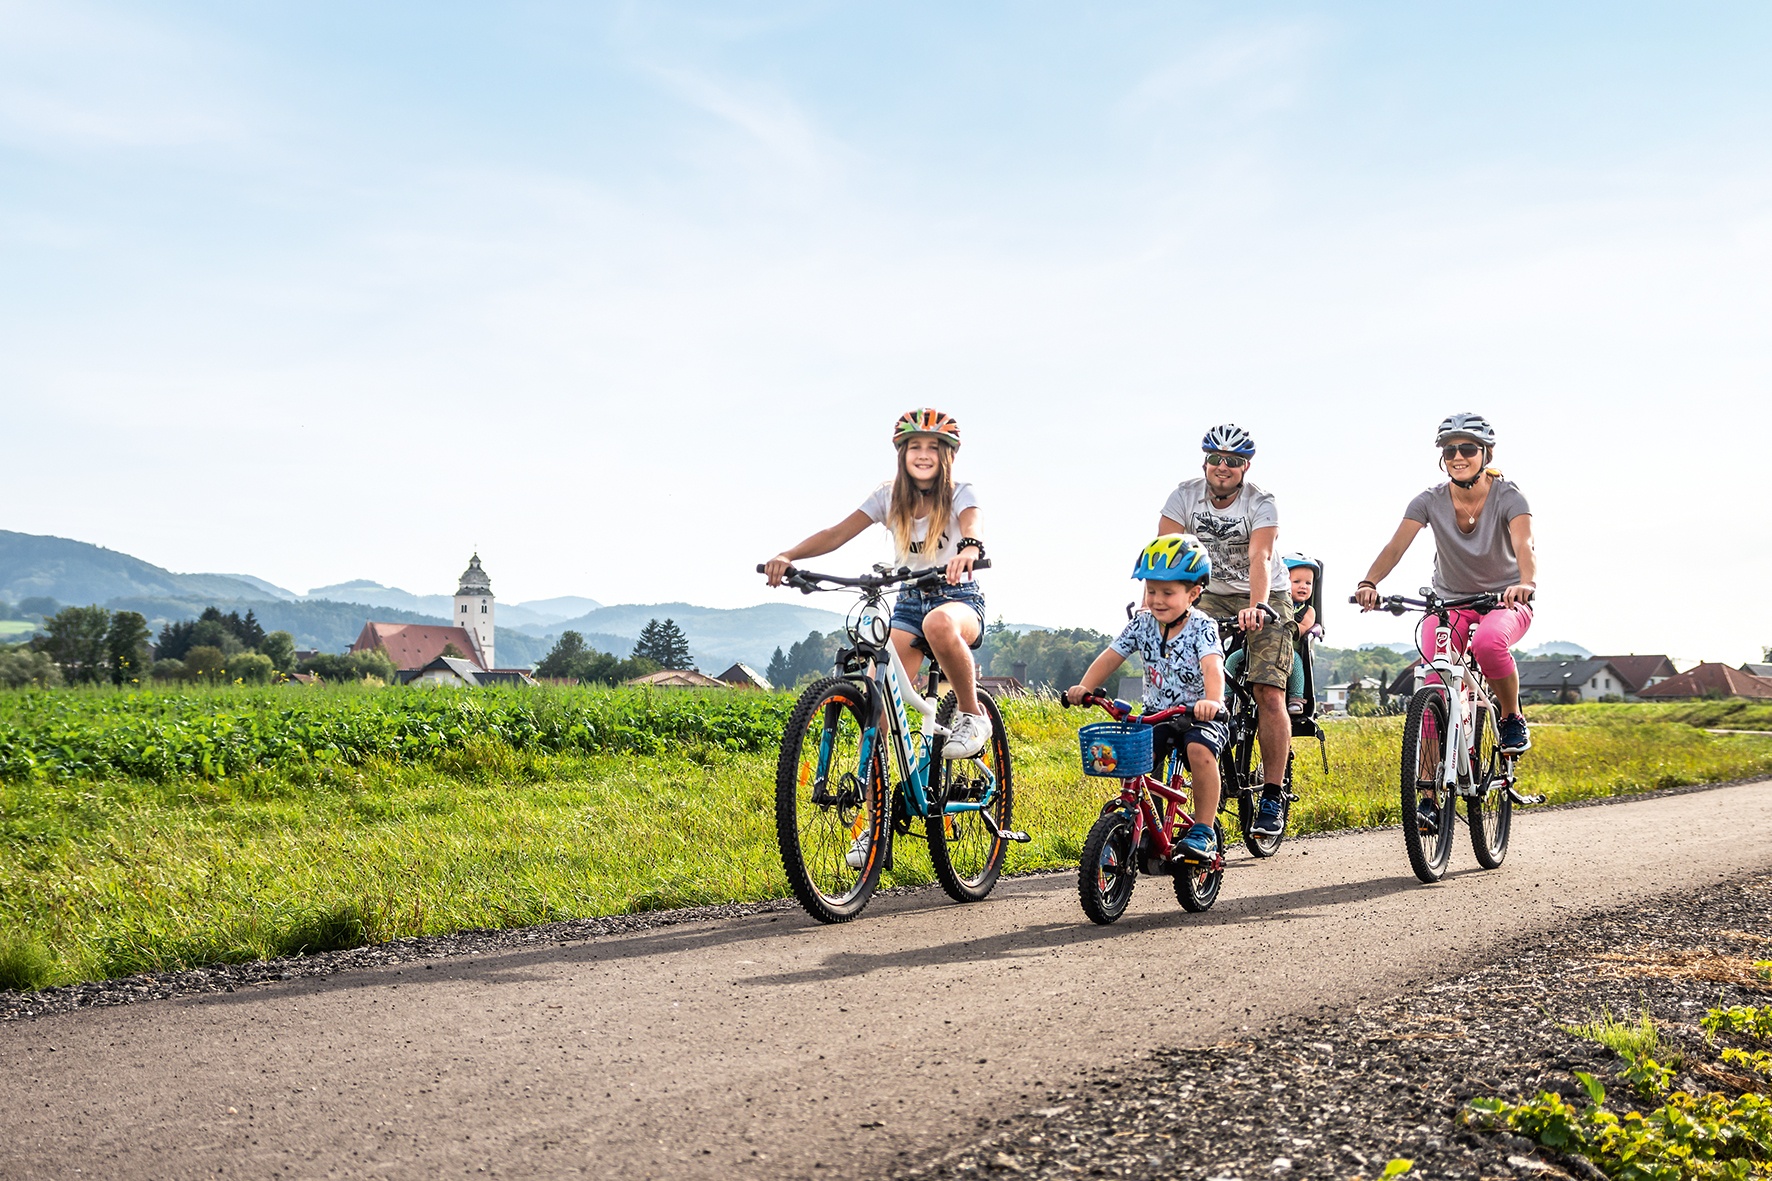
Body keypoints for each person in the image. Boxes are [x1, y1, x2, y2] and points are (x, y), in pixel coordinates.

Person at [762, 408, 992, 760]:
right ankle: (871, 790)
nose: (924, 455)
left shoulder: (961, 492)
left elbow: (972, 523)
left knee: (938, 623)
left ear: (948, 455)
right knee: (877, 701)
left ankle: (972, 715)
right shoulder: (888, 496)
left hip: (957, 596)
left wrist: (970, 549)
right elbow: (836, 533)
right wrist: (788, 555)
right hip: (908, 604)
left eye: (933, 447)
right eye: (915, 447)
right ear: (903, 454)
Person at [1353, 412, 1537, 759]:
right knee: (1433, 678)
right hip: (1449, 604)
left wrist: (1525, 583)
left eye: (1467, 449)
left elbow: (1524, 544)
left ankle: (1511, 716)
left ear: (1486, 454)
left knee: (1488, 644)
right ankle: (1426, 786)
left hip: (1505, 600)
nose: (1457, 457)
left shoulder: (1510, 496)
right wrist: (1369, 582)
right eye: (1449, 450)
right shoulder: (1428, 500)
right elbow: (1395, 547)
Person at [1157, 424, 1293, 840]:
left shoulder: (1261, 502)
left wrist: (1258, 606)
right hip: (1208, 594)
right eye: (1215, 458)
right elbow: (1164, 554)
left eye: (1232, 461)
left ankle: (1272, 796)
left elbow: (1260, 556)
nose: (1222, 466)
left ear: (1245, 467)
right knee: (1184, 685)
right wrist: (1154, 603)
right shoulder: (1184, 496)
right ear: (1205, 462)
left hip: (1265, 594)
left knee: (1267, 690)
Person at [1062, 535, 1228, 861]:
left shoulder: (1202, 626)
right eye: (1151, 591)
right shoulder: (1141, 624)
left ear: (1193, 593)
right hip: (1157, 713)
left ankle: (1204, 830)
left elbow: (1212, 667)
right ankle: (1133, 823)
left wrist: (1212, 701)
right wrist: (1084, 687)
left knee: (1199, 751)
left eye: (1167, 592)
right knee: (1133, 759)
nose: (1157, 600)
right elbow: (1111, 657)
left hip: (1199, 715)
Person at [1228, 556, 1317, 715]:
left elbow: (1304, 627)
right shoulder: (1269, 604)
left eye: (1308, 583)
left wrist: (1285, 626)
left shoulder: (1307, 611)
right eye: (1296, 582)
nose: (1303, 586)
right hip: (1255, 647)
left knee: (1295, 661)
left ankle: (1296, 698)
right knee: (1232, 660)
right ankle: (1225, 696)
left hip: (1287, 650)